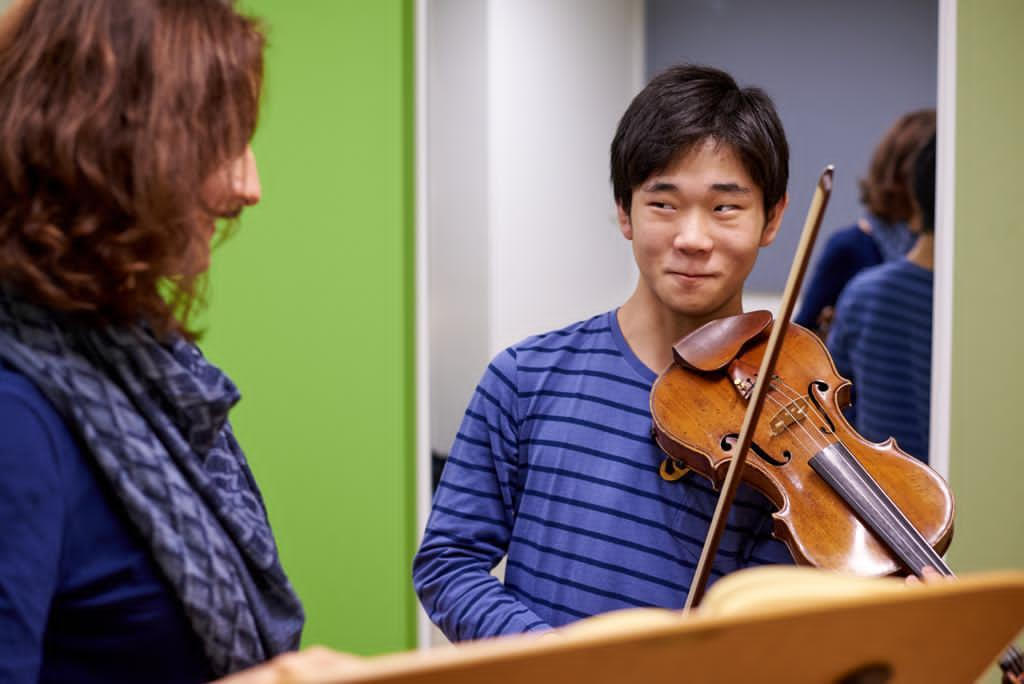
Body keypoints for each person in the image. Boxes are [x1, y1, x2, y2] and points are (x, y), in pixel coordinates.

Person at [413, 64, 795, 642]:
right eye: (663, 204)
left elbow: (773, 618)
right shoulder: (524, 380)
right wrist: (557, 661)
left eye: (725, 208)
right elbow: (449, 563)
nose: (692, 238)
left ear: (773, 219)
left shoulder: (788, 413)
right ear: (624, 211)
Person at [0, 1, 304, 681]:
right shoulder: (15, 414)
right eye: (221, 139)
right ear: (107, 144)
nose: (247, 186)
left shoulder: (142, 370)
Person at [826, 134, 937, 465]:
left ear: (915, 204)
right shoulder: (982, 306)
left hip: (879, 492)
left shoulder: (865, 294)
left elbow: (835, 408)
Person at [795, 110, 936, 339]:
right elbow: (800, 337)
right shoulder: (848, 246)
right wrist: (835, 331)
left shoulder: (940, 251)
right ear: (902, 176)